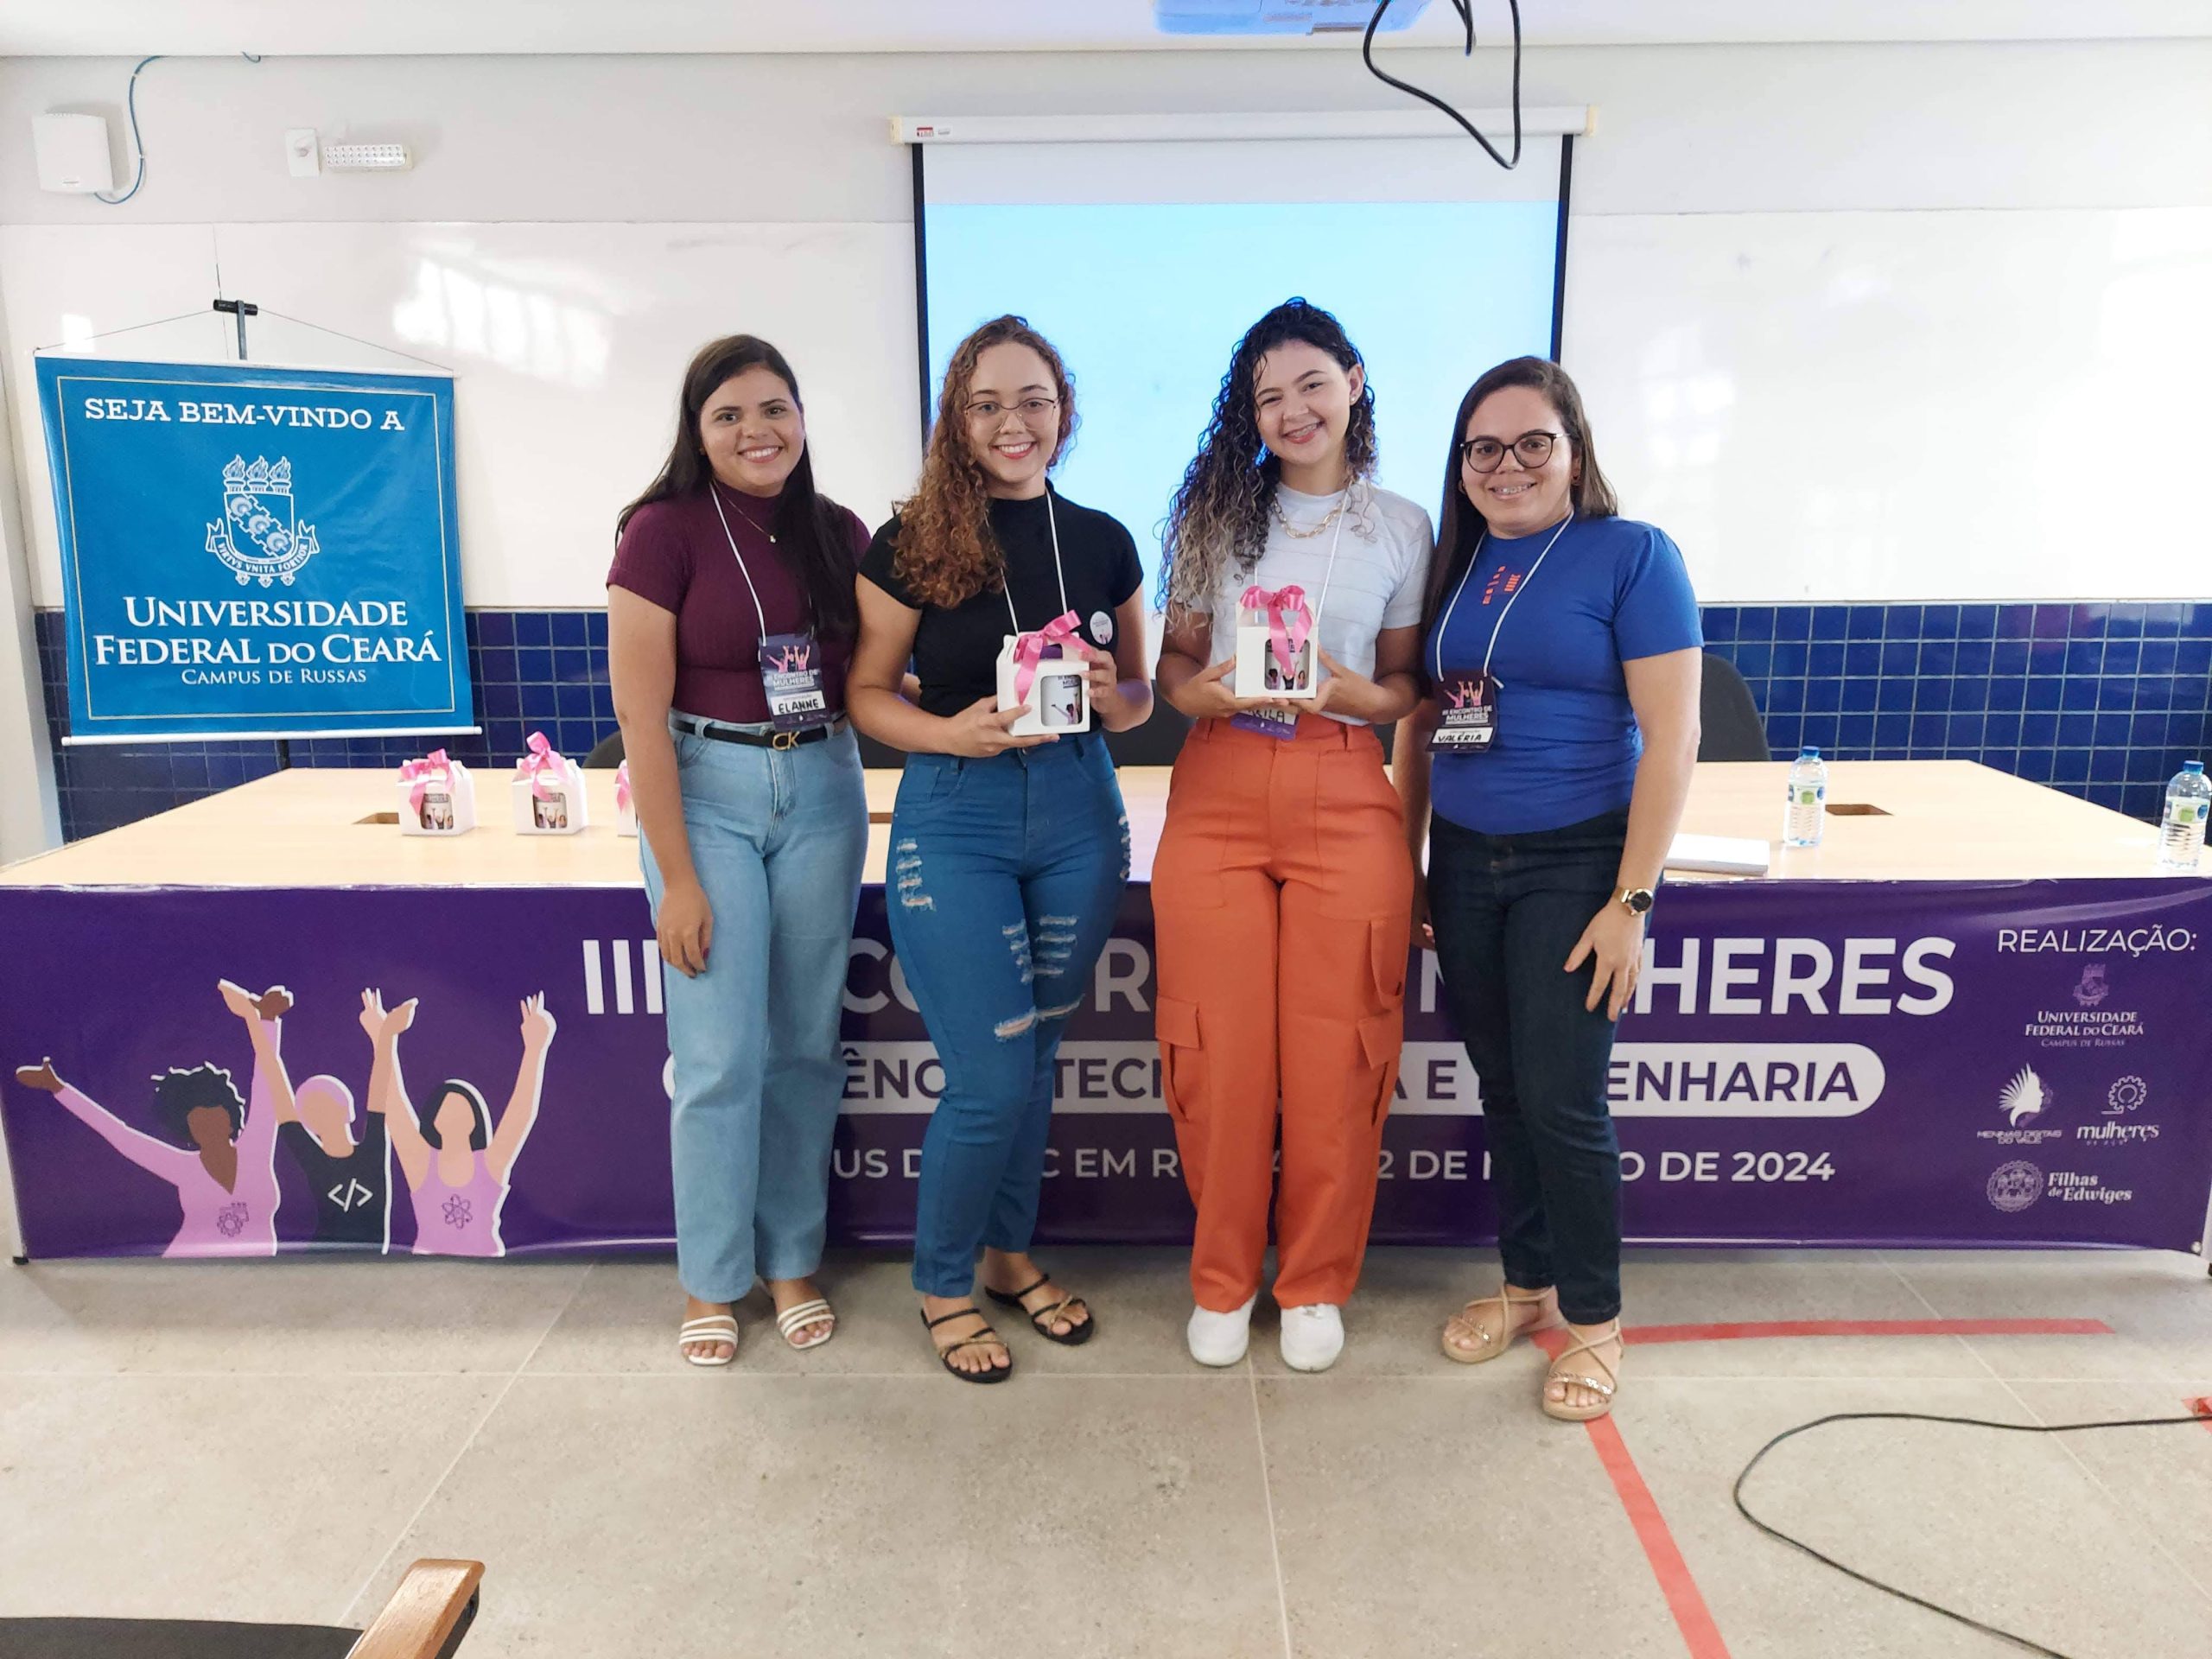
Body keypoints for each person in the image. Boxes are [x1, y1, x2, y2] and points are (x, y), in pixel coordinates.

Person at [1395, 356, 1702, 1422]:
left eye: (1534, 441)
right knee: (1506, 1089)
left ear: (1575, 449)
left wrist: (1632, 902)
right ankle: (1526, 1289)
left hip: (1579, 861)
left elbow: (1673, 739)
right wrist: (1415, 858)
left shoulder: (1632, 556)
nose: (1508, 464)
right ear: (1463, 467)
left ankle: (1596, 1322)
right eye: (1484, 448)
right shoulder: (1461, 565)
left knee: (1567, 1102)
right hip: (1468, 862)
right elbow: (1425, 725)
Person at [848, 315, 1153, 1383]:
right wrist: (949, 732)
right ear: (956, 420)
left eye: (1034, 400)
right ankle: (941, 1285)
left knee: (1035, 1062)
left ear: (1062, 411)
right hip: (958, 813)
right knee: (986, 1073)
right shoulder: (911, 543)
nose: (1013, 422)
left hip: (1078, 813)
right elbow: (865, 696)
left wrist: (1122, 696)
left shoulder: (1108, 540)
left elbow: (1137, 701)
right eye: (987, 404)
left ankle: (1009, 1257)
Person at [1151, 298, 1433, 1373]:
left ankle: (1313, 1281)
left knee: (1337, 1050)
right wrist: (1205, 696)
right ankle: (1223, 1278)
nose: (1292, 409)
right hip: (1220, 785)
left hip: (1342, 783)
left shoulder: (1402, 527)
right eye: (1269, 396)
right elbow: (1175, 672)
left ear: (1354, 381)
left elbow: (1408, 688)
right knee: (1214, 1049)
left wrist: (1359, 692)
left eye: (1311, 383)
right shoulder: (1212, 519)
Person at [607, 334, 874, 1365]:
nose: (755, 431)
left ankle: (791, 1258)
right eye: (729, 416)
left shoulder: (838, 531)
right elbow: (638, 713)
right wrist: (676, 874)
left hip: (823, 785)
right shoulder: (660, 532)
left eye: (774, 409)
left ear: (802, 419)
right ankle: (711, 1280)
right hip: (705, 790)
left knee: (805, 1046)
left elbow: (878, 666)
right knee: (719, 1057)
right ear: (698, 430)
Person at [13, 980, 291, 1257]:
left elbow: (266, 1085)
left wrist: (267, 1020)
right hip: (184, 1277)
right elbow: (120, 1134)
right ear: (187, 1130)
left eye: (215, 1119)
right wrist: (58, 1088)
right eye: (200, 1124)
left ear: (230, 1118)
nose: (210, 1129)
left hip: (261, 1281)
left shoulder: (256, 1148)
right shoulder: (184, 1168)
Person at [360, 988, 555, 1260]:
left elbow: (520, 1113)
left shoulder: (491, 1163)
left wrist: (535, 1050)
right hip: (427, 1271)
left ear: (477, 1119)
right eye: (447, 1107)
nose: (455, 1113)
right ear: (434, 1120)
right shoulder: (420, 1163)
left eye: (464, 1108)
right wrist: (382, 1038)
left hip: (488, 1268)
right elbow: (394, 1104)